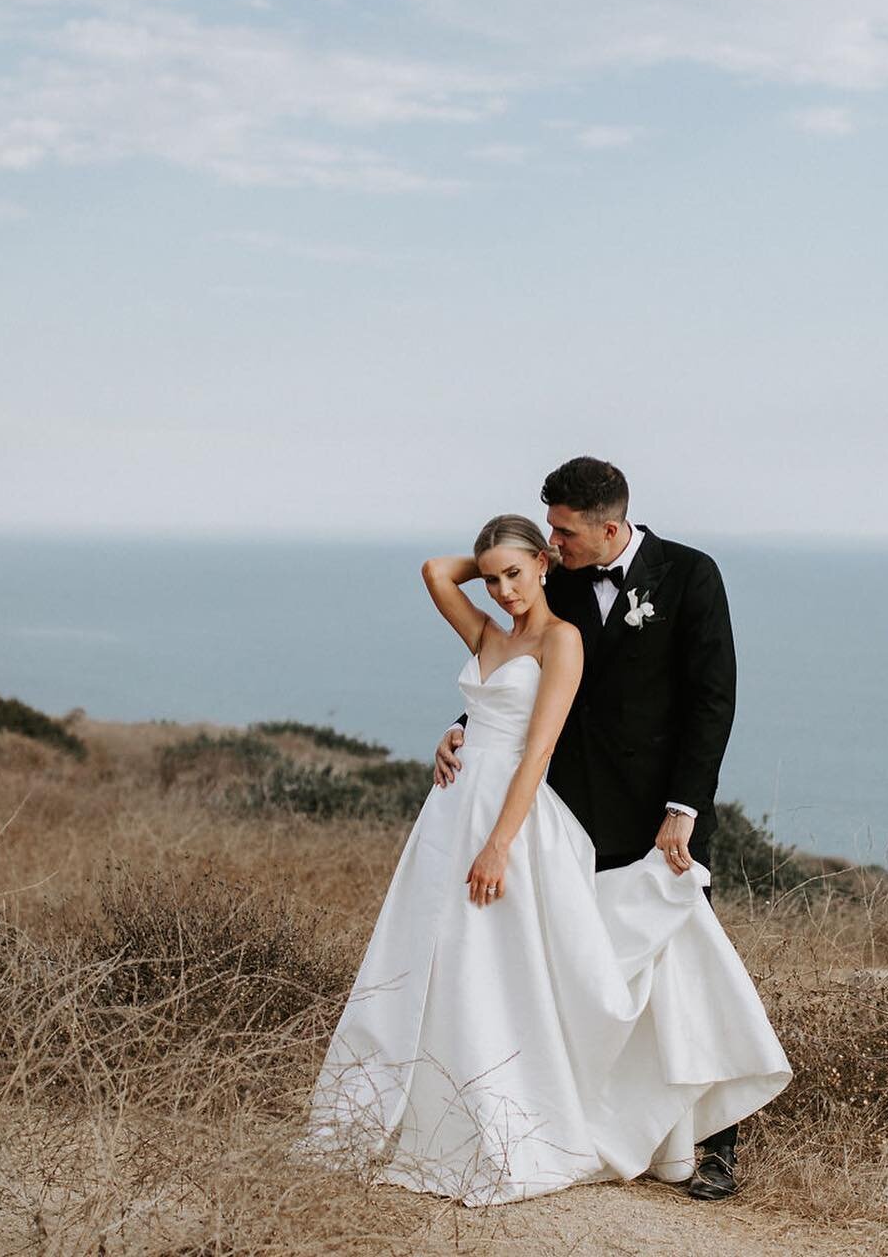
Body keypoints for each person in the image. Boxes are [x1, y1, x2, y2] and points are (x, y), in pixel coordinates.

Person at [305, 509, 789, 1206]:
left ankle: (706, 1138)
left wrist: (503, 841)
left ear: (602, 522)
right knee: (446, 957)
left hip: (593, 809)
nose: (503, 587)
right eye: (497, 575)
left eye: (552, 544)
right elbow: (438, 577)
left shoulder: (645, 592)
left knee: (614, 957)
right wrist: (508, 565)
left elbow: (694, 704)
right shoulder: (503, 621)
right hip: (454, 810)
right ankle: (431, 1099)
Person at [434, 456, 747, 1201]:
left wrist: (685, 808)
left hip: (660, 816)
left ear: (611, 526)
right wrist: (460, 727)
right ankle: (597, 1125)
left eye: (564, 530)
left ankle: (712, 1147)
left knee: (684, 969)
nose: (553, 541)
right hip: (567, 812)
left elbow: (713, 701)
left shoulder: (690, 576)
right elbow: (523, 682)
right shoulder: (560, 580)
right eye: (548, 528)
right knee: (581, 969)